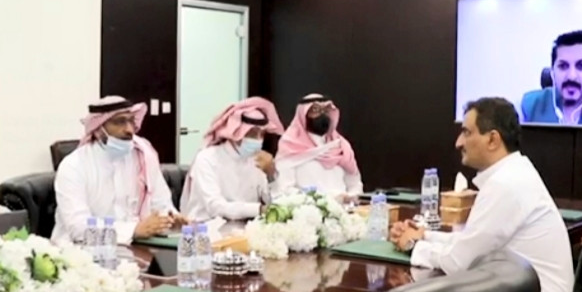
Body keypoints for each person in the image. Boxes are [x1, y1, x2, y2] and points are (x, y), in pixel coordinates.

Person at [389, 97, 574, 292]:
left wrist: (413, 246)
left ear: (492, 139)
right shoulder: (514, 173)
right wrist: (425, 235)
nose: (458, 142)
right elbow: (474, 242)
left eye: (466, 132)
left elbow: (459, 263)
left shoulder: (506, 184)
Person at [52, 96, 185, 244]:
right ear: (99, 129)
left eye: (131, 121)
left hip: (135, 248)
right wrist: (133, 230)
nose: (129, 129)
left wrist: (170, 222)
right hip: (79, 251)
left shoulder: (143, 157)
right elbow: (78, 228)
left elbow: (161, 204)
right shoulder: (74, 165)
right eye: (120, 122)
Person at [181, 97, 284, 227]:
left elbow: (274, 203)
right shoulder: (207, 158)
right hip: (205, 229)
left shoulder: (257, 160)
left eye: (262, 134)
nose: (259, 140)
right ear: (236, 132)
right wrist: (258, 209)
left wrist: (271, 175)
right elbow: (215, 207)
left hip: (245, 229)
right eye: (252, 133)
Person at [275, 94, 363, 201]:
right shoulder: (289, 145)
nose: (322, 115)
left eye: (325, 110)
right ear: (304, 114)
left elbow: (354, 183)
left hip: (344, 209)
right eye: (315, 110)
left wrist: (350, 197)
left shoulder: (341, 145)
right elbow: (286, 189)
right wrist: (324, 200)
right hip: (307, 209)